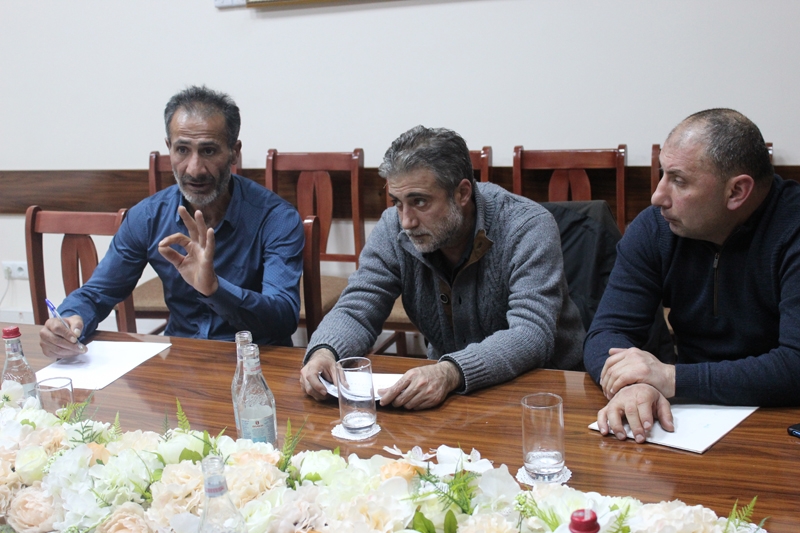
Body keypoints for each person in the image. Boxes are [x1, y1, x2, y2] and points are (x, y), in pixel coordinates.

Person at [299, 125, 585, 410]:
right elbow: (358, 305)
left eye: (419, 201)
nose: (407, 221)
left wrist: (450, 371)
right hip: (450, 393)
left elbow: (531, 333)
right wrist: (325, 350)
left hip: (544, 393)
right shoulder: (393, 227)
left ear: (462, 193)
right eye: (397, 203)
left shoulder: (527, 226)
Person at [584, 108, 800, 443]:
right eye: (662, 174)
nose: (657, 196)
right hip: (689, 419)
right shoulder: (656, 228)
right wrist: (633, 385)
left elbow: (794, 366)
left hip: (781, 422)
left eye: (679, 180)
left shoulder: (792, 230)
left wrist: (670, 379)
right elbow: (607, 332)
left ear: (737, 192)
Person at [39, 86, 304, 356]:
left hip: (258, 358)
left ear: (234, 152)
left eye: (209, 151)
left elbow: (283, 317)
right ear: (169, 148)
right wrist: (70, 320)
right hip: (182, 357)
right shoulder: (148, 217)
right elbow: (97, 293)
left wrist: (215, 289)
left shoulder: (275, 218)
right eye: (182, 150)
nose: (194, 169)